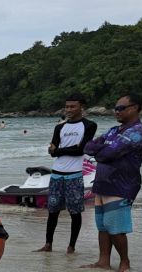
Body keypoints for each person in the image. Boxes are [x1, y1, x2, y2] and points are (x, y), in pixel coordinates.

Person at [82, 93, 142, 272]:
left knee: (116, 227)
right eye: (115, 108)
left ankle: (124, 263)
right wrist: (103, 149)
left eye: (121, 108)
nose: (116, 112)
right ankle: (103, 261)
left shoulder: (137, 132)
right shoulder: (113, 130)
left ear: (134, 108)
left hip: (122, 184)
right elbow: (88, 146)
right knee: (102, 225)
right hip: (103, 183)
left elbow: (107, 154)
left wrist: (101, 150)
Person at [35, 93, 97, 253]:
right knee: (52, 211)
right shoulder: (60, 127)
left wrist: (59, 150)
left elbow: (80, 150)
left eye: (72, 106)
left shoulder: (90, 125)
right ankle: (48, 244)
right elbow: (52, 152)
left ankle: (71, 247)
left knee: (75, 213)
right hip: (56, 175)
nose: (69, 109)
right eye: (67, 106)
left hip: (74, 176)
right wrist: (61, 150)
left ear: (81, 107)